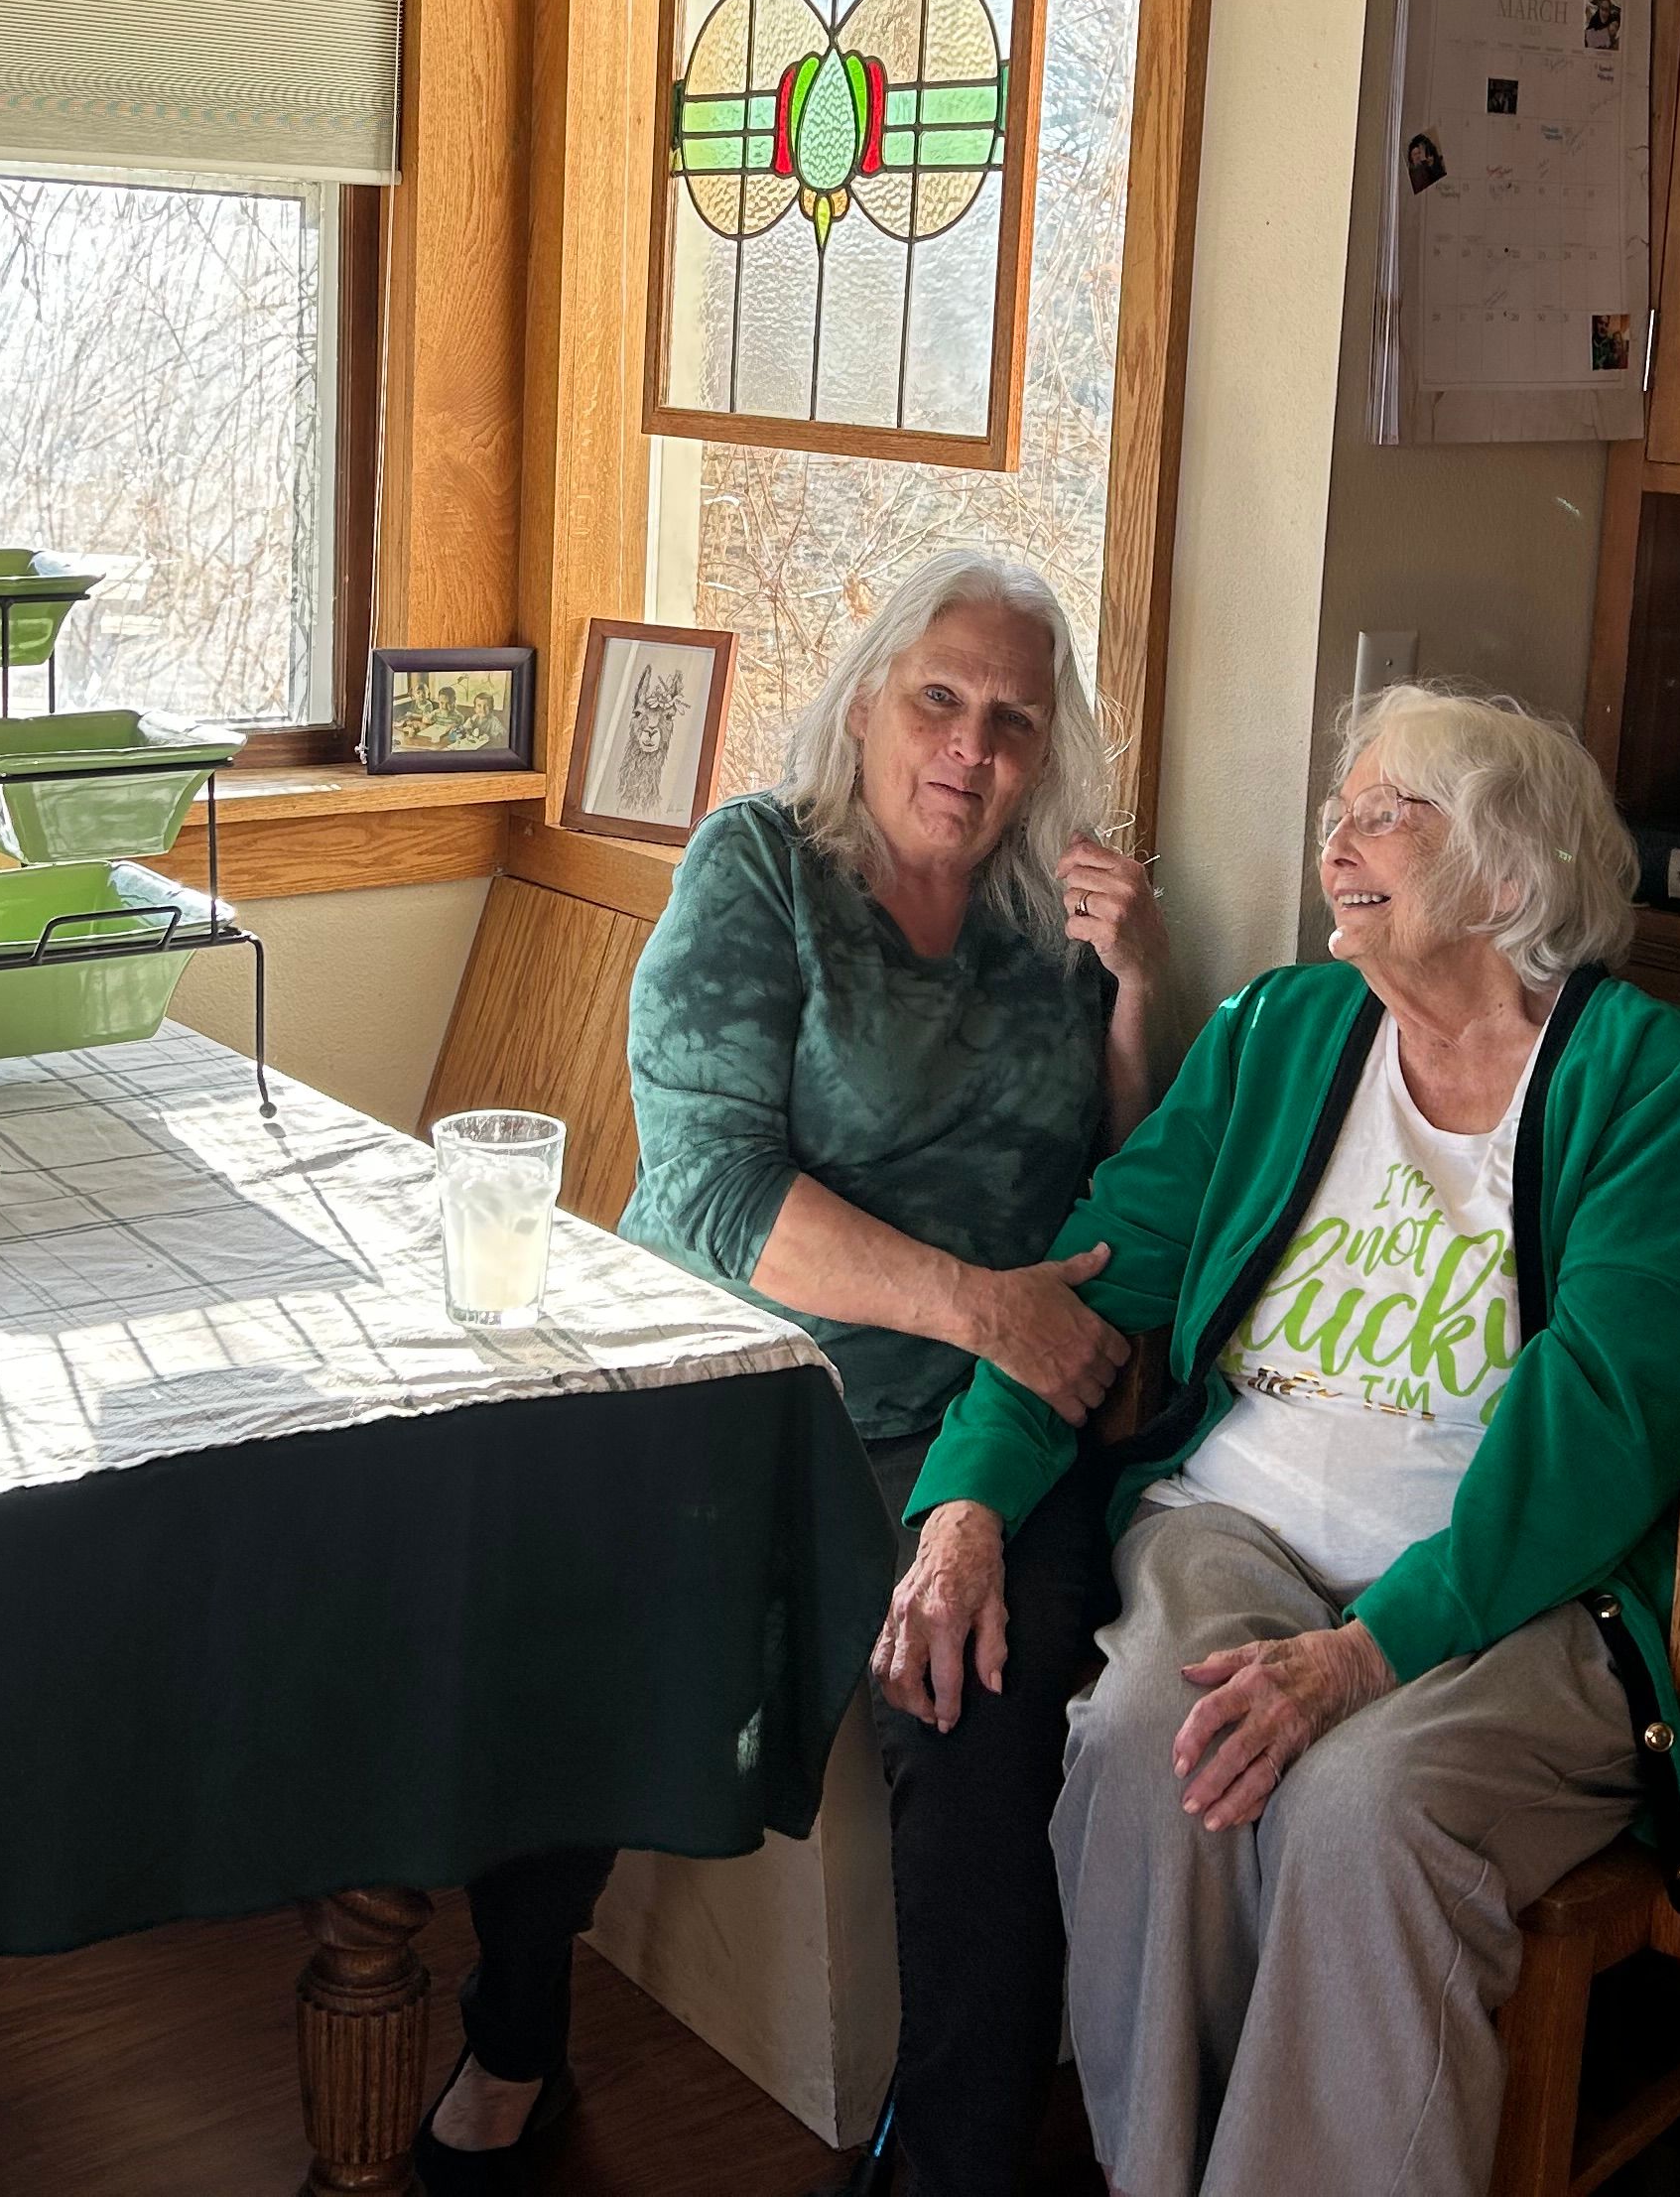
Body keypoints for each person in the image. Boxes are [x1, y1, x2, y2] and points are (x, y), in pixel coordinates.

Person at [876, 683, 1680, 2197]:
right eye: (1334, 815)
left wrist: (1370, 1655)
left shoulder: (1645, 1078)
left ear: (1504, 870)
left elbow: (1611, 1418)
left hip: (1524, 1592)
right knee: (1155, 1735)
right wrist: (961, 1506)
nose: (1334, 846)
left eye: (1382, 816)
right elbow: (1092, 1283)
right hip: (1234, 1531)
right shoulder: (1287, 1031)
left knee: (1366, 1812)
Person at [418, 549, 1172, 2197]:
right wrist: (984, 1306)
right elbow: (708, 1190)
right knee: (570, 1606)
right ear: (870, 700)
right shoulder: (758, 866)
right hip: (730, 1371)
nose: (974, 752)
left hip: (966, 1426)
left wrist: (1132, 1017)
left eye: (1017, 725)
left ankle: (952, 2155)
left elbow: (1123, 1212)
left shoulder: (1059, 927)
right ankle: (516, 2025)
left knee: (987, 1673)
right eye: (943, 701)